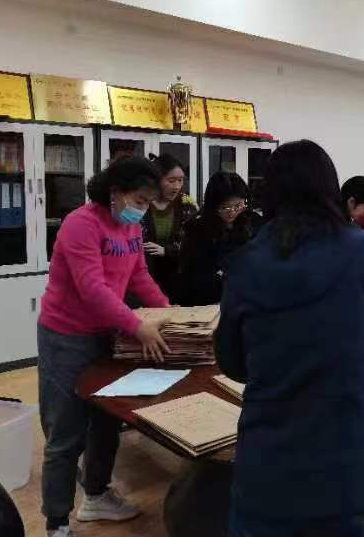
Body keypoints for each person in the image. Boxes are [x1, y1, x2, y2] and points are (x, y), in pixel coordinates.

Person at [215, 140, 364, 536]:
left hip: (270, 470)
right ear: (331, 190)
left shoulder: (246, 264)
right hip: (353, 469)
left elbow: (232, 363)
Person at [37, 157, 172, 537]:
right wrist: (138, 326)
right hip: (66, 337)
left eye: (148, 203)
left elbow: (139, 275)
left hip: (108, 335)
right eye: (140, 200)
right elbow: (92, 288)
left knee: (106, 422)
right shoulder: (80, 224)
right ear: (115, 193)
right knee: (65, 434)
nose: (142, 209)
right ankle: (56, 522)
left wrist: (169, 313)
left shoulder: (130, 227)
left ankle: (96, 496)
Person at [178, 172, 261, 306]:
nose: (232, 212)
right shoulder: (197, 229)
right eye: (225, 207)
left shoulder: (252, 222)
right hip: (206, 300)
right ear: (213, 205)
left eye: (238, 205)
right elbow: (193, 274)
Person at [140, 153, 197, 302]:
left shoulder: (187, 206)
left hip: (177, 280)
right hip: (145, 277)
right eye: (171, 181)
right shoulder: (141, 204)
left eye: (180, 180)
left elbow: (192, 245)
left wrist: (166, 251)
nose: (177, 186)